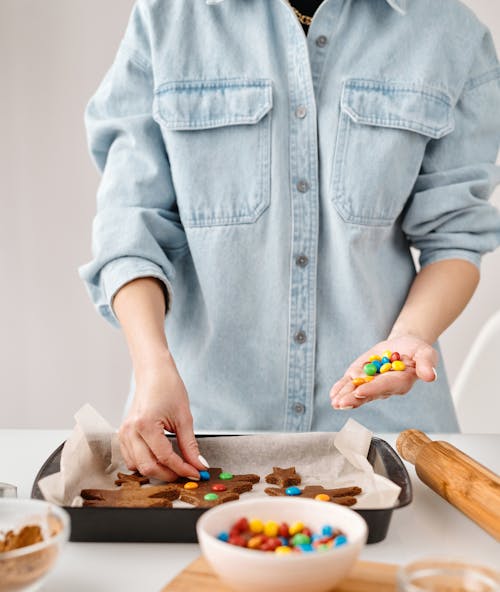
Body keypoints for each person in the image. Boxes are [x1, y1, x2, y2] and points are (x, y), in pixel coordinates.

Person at [80, 0, 500, 481]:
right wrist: (153, 364)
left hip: (384, 441)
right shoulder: (168, 19)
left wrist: (410, 337)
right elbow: (129, 224)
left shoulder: (449, 32)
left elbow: (455, 239)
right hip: (198, 438)